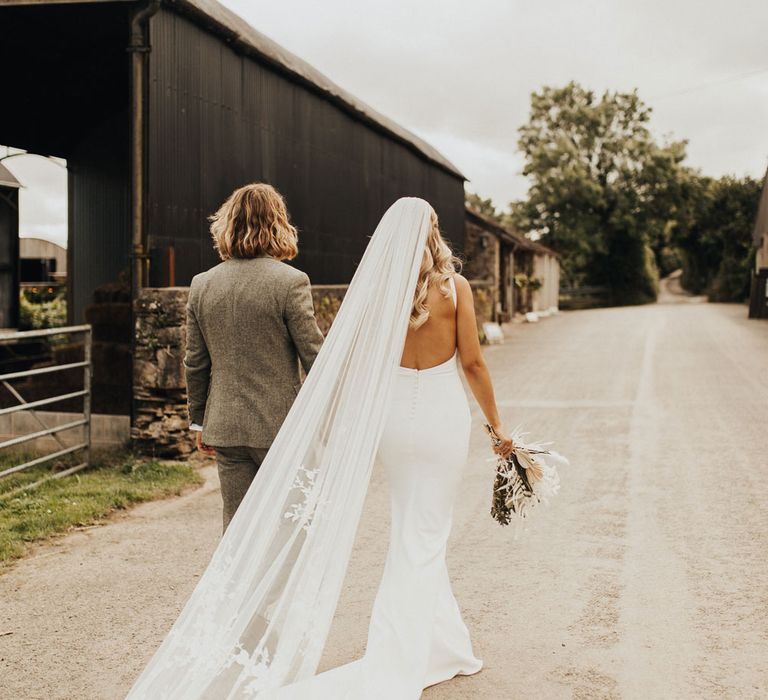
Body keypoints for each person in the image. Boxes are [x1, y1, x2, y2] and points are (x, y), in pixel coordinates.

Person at [127, 197, 514, 699]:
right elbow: (474, 365)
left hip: (391, 423)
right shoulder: (454, 288)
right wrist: (497, 426)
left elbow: (339, 362)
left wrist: (337, 422)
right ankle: (400, 651)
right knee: (424, 533)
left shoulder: (377, 293)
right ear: (434, 234)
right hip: (441, 418)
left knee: (405, 527)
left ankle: (444, 643)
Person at [184, 182, 324, 533]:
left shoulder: (202, 284)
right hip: (281, 427)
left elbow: (195, 363)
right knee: (291, 527)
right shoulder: (291, 282)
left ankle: (240, 589)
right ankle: (284, 589)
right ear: (278, 223)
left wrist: (199, 420)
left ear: (228, 223)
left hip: (226, 426)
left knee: (238, 528)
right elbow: (314, 356)